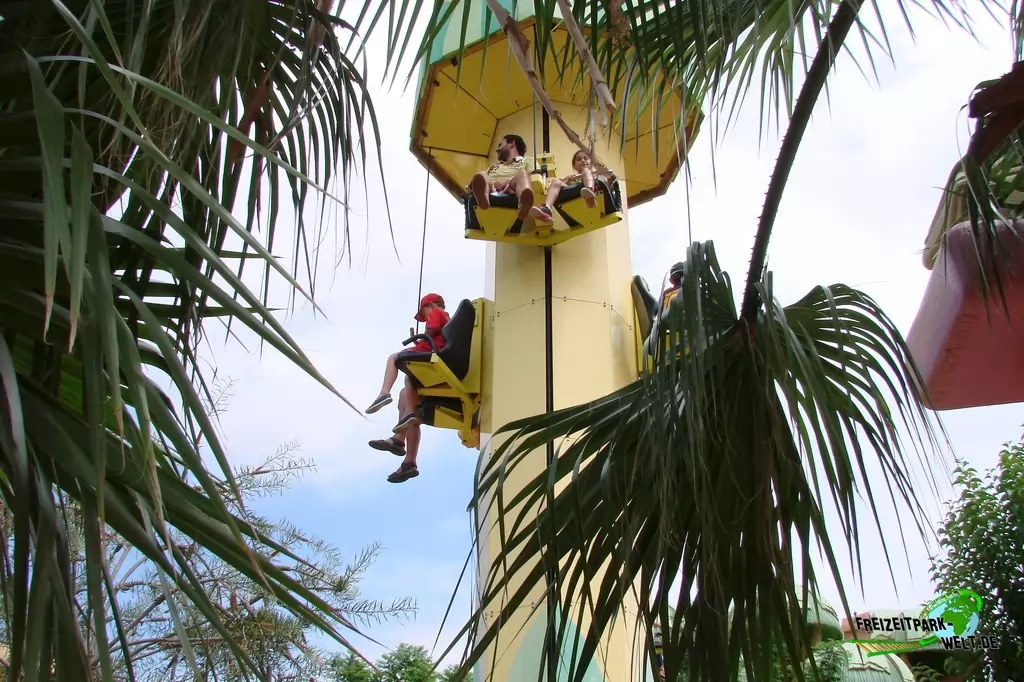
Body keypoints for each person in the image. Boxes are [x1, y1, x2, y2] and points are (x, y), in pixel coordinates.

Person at [365, 293, 450, 483]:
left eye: (424, 311)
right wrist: (420, 342)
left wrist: (423, 339)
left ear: (432, 305)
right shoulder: (449, 321)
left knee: (394, 358)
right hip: (438, 357)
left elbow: (432, 330)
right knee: (405, 395)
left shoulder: (437, 312)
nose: (426, 315)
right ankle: (405, 454)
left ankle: (384, 393)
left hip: (436, 357)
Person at [469, 134, 536, 221]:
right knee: (481, 174)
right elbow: (480, 182)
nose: (497, 150)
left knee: (523, 175)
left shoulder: (527, 161)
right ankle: (483, 199)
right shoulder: (494, 166)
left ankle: (523, 205)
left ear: (512, 143)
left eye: (500, 145)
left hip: (513, 190)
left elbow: (535, 178)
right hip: (491, 190)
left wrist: (504, 182)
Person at [530, 149, 604, 222]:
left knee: (585, 171)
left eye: (586, 158)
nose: (583, 160)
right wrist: (568, 180)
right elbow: (558, 186)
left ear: (591, 163)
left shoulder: (595, 174)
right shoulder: (573, 180)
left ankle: (590, 192)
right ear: (574, 165)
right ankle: (546, 208)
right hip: (575, 196)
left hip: (593, 190)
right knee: (555, 181)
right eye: (579, 159)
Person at [643, 262, 684, 358]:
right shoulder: (667, 292)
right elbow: (659, 309)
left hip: (680, 319)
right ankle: (652, 346)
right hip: (664, 320)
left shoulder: (686, 289)